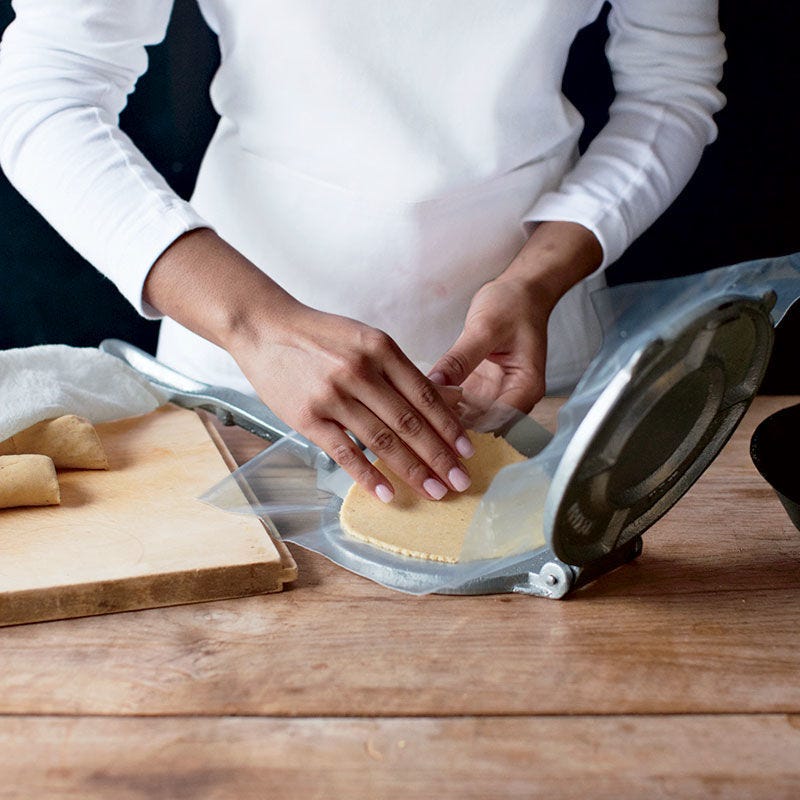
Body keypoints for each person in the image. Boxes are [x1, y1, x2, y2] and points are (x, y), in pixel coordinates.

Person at [0, 1, 725, 505]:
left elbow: (671, 89)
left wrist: (535, 282)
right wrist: (257, 325)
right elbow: (45, 94)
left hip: (525, 381)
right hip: (238, 390)